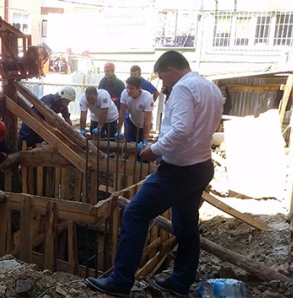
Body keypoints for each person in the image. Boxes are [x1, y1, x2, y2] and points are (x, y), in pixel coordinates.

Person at [85, 50, 223, 297]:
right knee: (186, 225)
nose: (163, 83)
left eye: (162, 76)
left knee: (135, 213)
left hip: (178, 170)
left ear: (170, 69)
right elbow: (204, 127)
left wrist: (154, 150)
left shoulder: (182, 87)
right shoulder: (210, 87)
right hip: (201, 165)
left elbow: (181, 130)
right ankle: (180, 283)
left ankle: (120, 281)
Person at [118, 76, 154, 143]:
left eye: (131, 88)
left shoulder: (147, 98)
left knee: (140, 145)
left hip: (143, 125)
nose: (128, 91)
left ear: (139, 88)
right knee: (128, 143)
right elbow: (122, 113)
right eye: (127, 88)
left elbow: (147, 121)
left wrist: (145, 139)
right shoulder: (124, 93)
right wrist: (119, 130)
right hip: (132, 120)